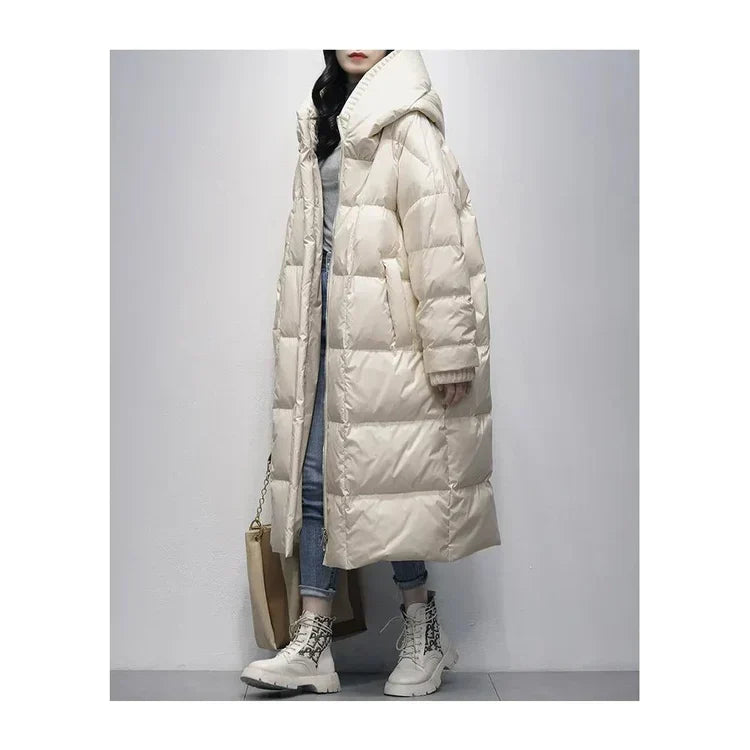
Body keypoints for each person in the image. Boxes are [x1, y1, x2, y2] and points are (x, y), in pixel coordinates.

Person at [242, 49, 500, 697]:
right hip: (324, 332)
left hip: (389, 338)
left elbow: (439, 240)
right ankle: (313, 641)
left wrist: (450, 349)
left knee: (389, 482)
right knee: (315, 478)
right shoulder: (324, 122)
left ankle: (422, 631)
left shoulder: (407, 123)